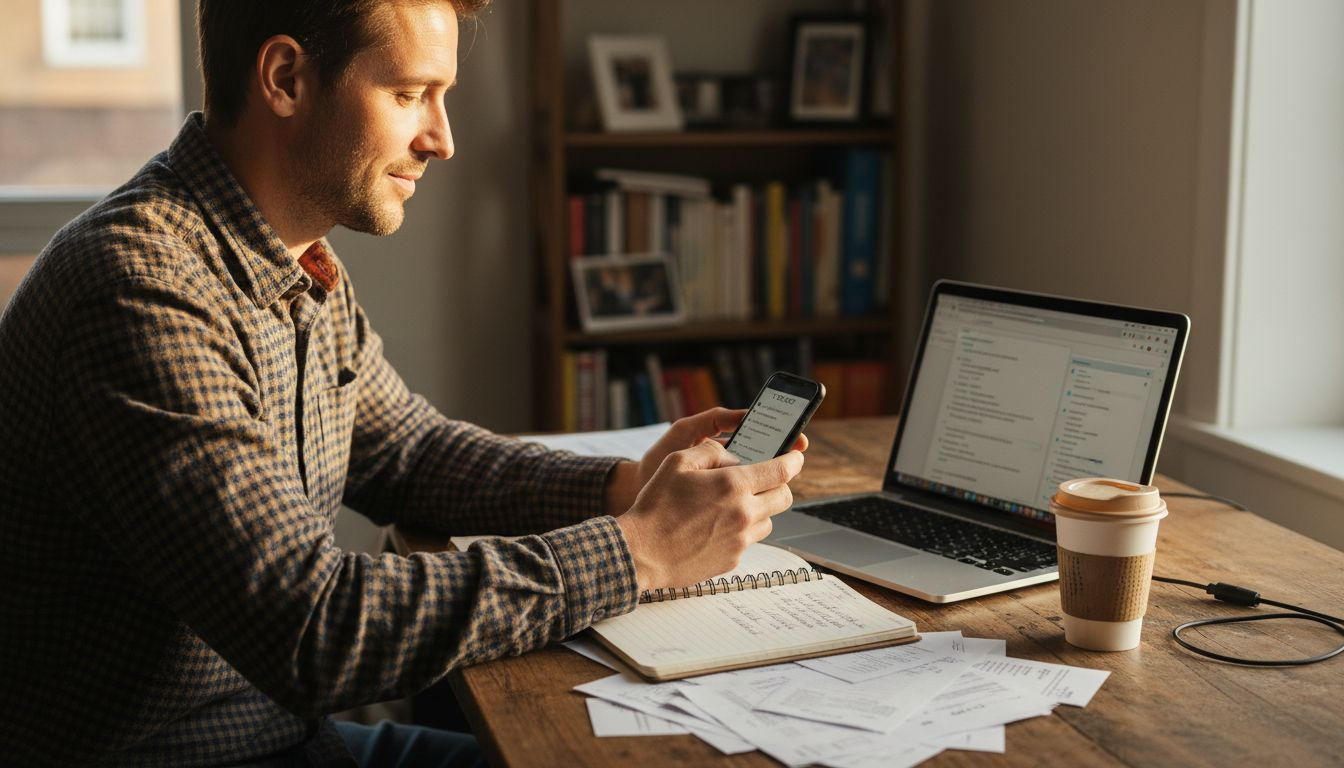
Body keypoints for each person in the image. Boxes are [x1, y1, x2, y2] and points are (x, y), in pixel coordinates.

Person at [0, 1, 806, 766]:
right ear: (284, 78)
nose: (442, 139)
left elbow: (412, 454)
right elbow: (315, 628)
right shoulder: (138, 290)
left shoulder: (294, 261)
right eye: (410, 93)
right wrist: (635, 553)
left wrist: (625, 487)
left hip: (289, 740)